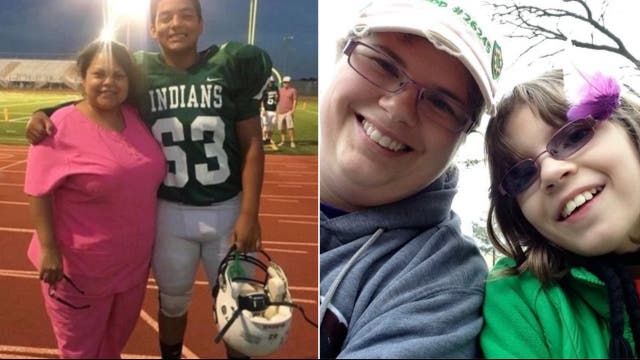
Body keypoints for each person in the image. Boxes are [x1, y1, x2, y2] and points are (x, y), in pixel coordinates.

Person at [26, 0, 272, 358]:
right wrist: (45, 111)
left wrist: (250, 213)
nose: (176, 24)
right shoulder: (141, 72)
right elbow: (97, 96)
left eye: (186, 15)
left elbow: (252, 143)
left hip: (227, 206)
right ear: (153, 29)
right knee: (172, 301)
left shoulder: (230, 64)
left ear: (202, 24)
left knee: (238, 305)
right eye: (165, 17)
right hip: (170, 210)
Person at [319, 0, 503, 357]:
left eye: (441, 104)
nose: (399, 108)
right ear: (339, 53)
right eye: (383, 64)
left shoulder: (440, 282)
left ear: (462, 139)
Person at [480, 69, 640, 358]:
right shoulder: (522, 301)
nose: (551, 172)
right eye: (521, 175)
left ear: (631, 132)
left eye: (575, 136)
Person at [25, 40, 166, 358]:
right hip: (80, 270)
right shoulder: (57, 126)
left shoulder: (135, 117)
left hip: (131, 267)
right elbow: (39, 190)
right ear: (83, 78)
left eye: (118, 75)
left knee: (113, 346)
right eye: (99, 74)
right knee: (80, 351)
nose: (109, 82)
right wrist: (49, 248)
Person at [275, 75, 297, 148]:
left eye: (287, 82)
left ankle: (292, 141)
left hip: (288, 112)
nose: (286, 84)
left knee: (290, 127)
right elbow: (277, 101)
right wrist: (277, 111)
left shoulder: (293, 90)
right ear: (282, 83)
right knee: (282, 128)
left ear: (289, 83)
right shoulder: (280, 90)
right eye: (284, 82)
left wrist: (293, 110)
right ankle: (283, 141)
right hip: (280, 112)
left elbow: (295, 100)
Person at [260, 76, 279, 150]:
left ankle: (269, 138)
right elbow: (262, 100)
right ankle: (263, 138)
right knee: (265, 126)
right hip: (266, 110)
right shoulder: (265, 89)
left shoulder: (276, 88)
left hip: (273, 110)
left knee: (271, 127)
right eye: (270, 82)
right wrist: (263, 108)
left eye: (272, 82)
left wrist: (277, 98)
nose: (271, 83)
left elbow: (277, 100)